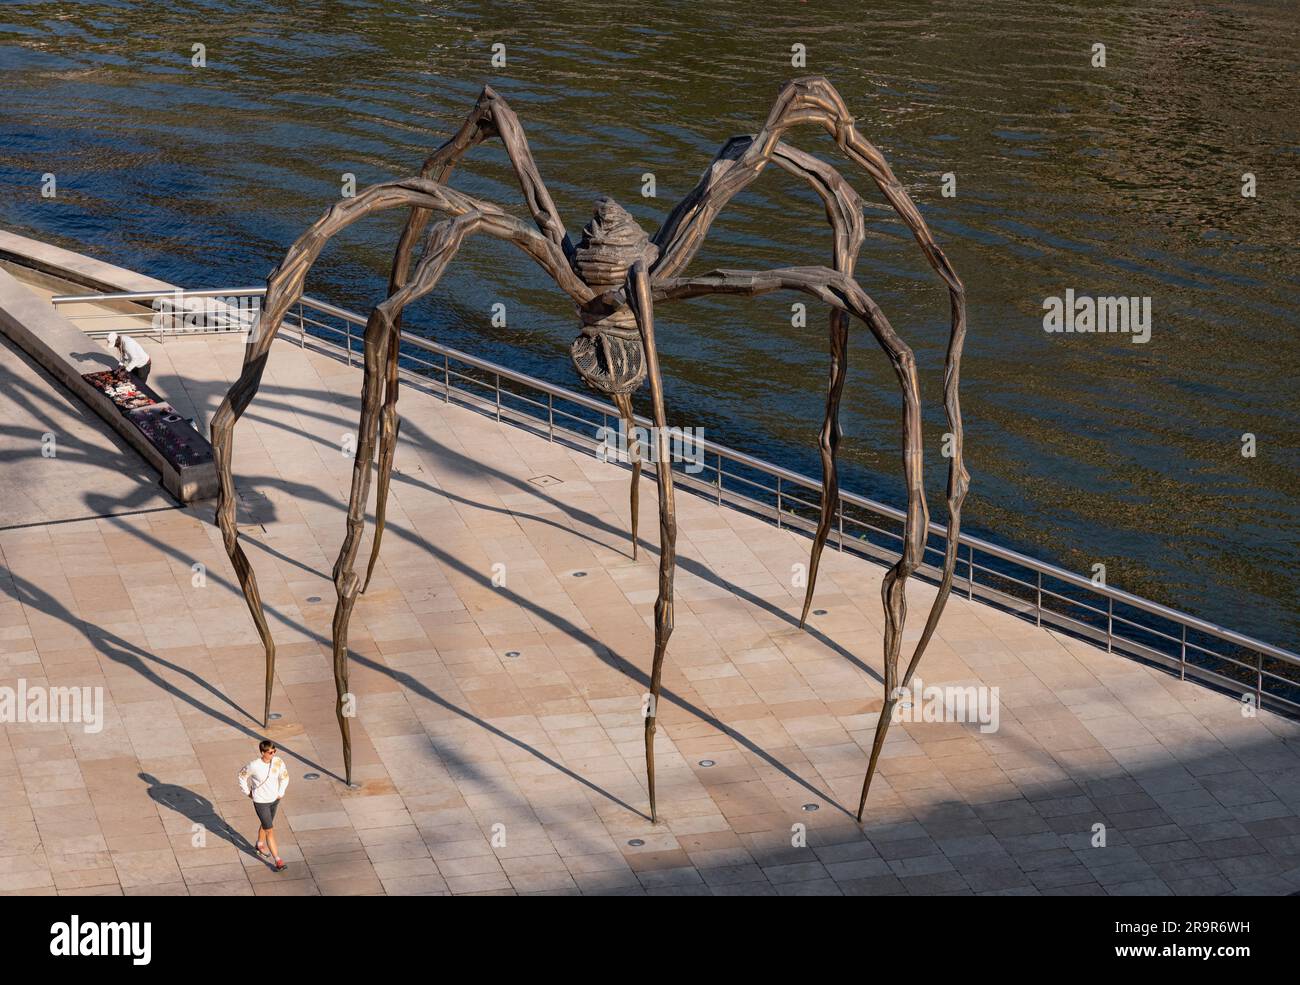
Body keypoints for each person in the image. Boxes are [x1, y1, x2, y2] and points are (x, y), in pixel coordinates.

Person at [237, 739, 290, 871]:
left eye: (274, 751)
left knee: (267, 822)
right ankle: (278, 860)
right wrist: (247, 792)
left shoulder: (278, 761)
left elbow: (285, 776)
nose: (273, 754)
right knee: (269, 830)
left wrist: (281, 792)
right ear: (262, 752)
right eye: (270, 752)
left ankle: (259, 844)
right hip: (261, 802)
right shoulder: (254, 765)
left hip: (274, 799)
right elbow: (241, 776)